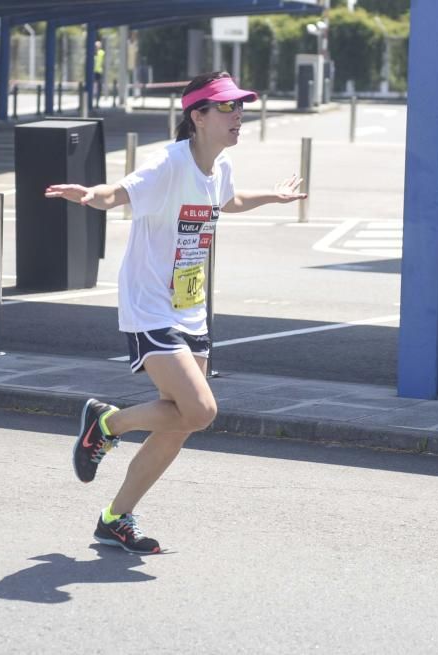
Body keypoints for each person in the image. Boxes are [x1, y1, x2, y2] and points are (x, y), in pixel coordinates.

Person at [45, 71, 306, 554]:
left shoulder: (217, 167)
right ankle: (106, 425)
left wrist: (274, 195)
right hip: (150, 307)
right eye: (227, 108)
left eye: (240, 107)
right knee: (201, 411)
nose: (238, 116)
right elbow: (119, 192)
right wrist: (90, 195)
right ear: (198, 116)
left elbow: (230, 201)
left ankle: (114, 519)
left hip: (190, 306)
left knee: (181, 422)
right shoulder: (168, 163)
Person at [92, 40, 106, 108]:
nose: (96, 47)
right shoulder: (92, 53)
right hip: (92, 72)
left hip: (99, 72)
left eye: (97, 46)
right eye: (95, 46)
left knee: (98, 88)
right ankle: (93, 101)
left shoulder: (102, 53)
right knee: (93, 87)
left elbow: (104, 62)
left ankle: (97, 102)